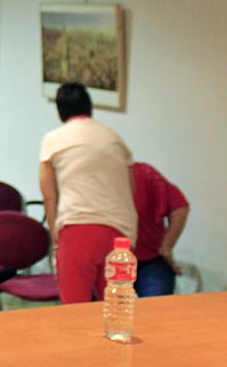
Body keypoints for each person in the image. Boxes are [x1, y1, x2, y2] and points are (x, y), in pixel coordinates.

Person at [39, 82, 137, 304]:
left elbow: (49, 195)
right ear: (90, 106)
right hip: (121, 232)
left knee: (75, 311)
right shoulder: (115, 138)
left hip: (79, 229)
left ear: (59, 110)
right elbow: (131, 188)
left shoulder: (53, 140)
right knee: (115, 307)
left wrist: (55, 234)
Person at [132, 162, 190, 297]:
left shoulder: (142, 173)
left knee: (157, 310)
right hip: (107, 263)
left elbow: (179, 207)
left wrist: (167, 247)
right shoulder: (90, 181)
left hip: (150, 259)